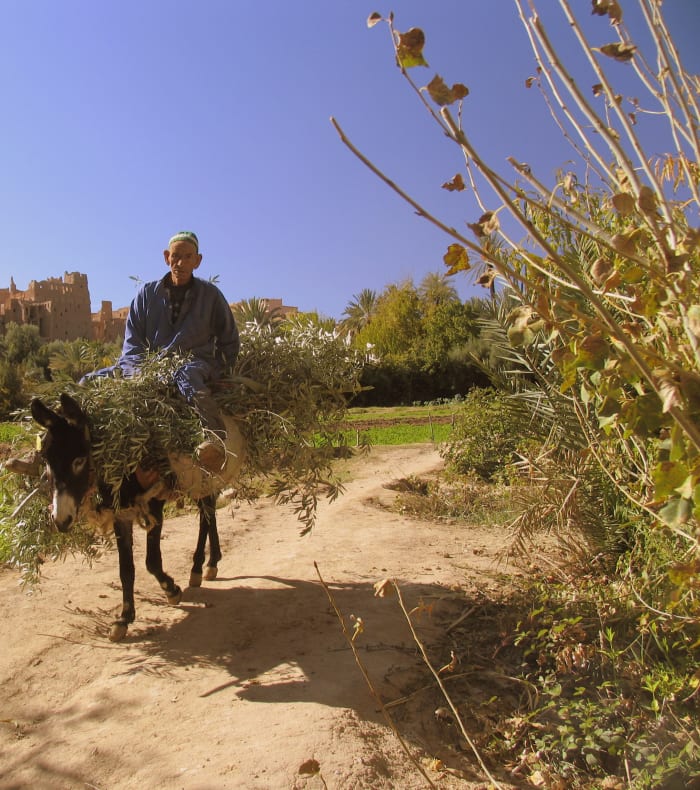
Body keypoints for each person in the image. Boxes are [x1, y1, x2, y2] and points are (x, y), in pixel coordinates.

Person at [87, 230, 240, 473]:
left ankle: (214, 438)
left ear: (198, 261)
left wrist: (220, 372)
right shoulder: (146, 295)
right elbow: (132, 345)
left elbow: (229, 340)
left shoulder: (210, 296)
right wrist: (140, 373)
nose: (180, 263)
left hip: (194, 363)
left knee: (187, 376)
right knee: (88, 381)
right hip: (148, 366)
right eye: (176, 256)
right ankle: (56, 444)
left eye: (187, 257)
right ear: (166, 257)